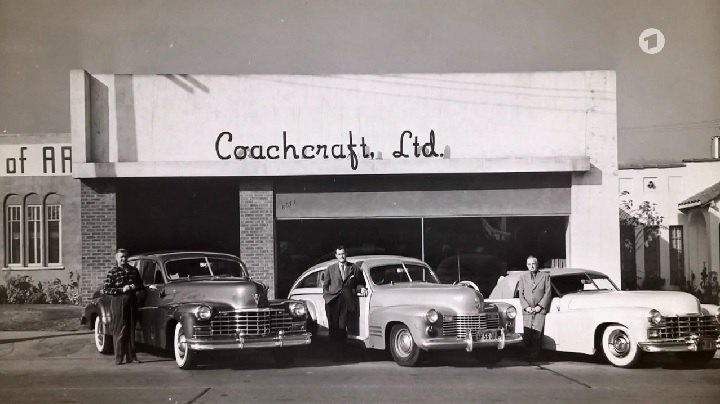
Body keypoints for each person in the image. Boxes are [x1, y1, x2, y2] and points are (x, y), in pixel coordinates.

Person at [321, 246, 367, 359]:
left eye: (343, 253)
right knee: (333, 328)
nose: (342, 256)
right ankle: (334, 355)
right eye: (339, 254)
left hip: (346, 301)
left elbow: (359, 282)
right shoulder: (330, 269)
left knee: (342, 327)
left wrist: (361, 288)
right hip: (332, 302)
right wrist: (328, 297)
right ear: (336, 256)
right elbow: (325, 285)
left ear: (346, 254)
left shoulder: (354, 267)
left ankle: (342, 354)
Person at [103, 248, 144, 365]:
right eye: (121, 257)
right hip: (118, 301)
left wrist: (134, 287)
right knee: (120, 328)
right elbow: (106, 289)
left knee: (131, 328)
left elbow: (140, 285)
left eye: (125, 257)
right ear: (116, 258)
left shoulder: (134, 270)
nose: (124, 259)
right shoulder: (113, 272)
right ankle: (119, 358)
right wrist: (121, 289)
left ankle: (132, 357)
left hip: (132, 300)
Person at [517, 255, 551, 361]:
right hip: (527, 310)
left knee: (537, 333)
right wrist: (526, 307)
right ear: (527, 265)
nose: (532, 266)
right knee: (527, 333)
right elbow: (521, 294)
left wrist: (540, 306)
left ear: (537, 264)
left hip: (539, 310)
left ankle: (534, 356)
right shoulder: (523, 277)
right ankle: (526, 354)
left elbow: (548, 292)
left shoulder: (545, 276)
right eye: (529, 264)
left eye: (534, 264)